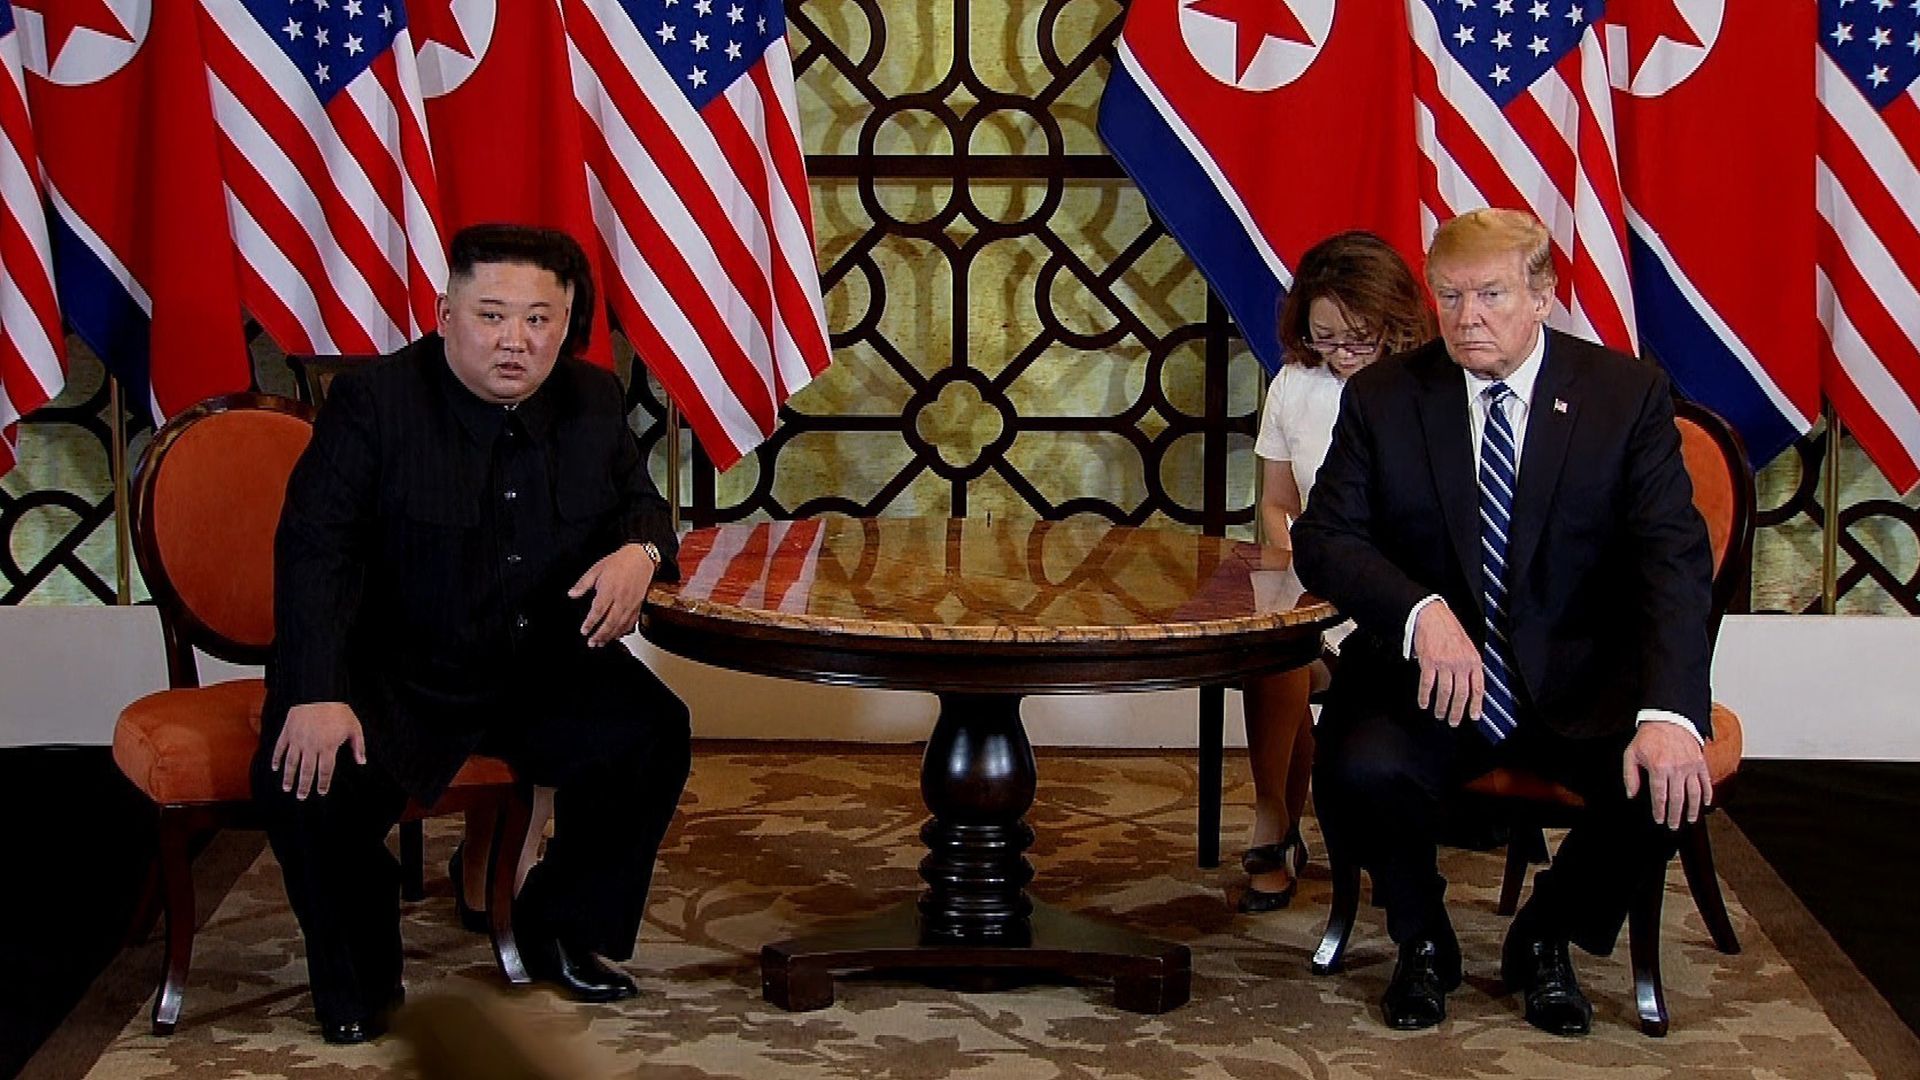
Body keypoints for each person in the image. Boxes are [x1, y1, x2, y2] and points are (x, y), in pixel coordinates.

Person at [252, 224, 692, 1044]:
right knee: (302, 781)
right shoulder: (373, 404)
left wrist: (642, 550)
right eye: (492, 316)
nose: (516, 342)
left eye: (539, 320)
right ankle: (363, 971)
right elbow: (316, 552)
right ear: (444, 313)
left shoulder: (593, 399)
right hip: (399, 671)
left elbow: (643, 506)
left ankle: (554, 926)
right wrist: (316, 691)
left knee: (653, 732)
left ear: (566, 323)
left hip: (537, 666)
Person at [1292, 208, 1714, 1036]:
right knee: (1358, 764)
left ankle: (1548, 936)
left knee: (1669, 786)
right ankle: (1422, 938)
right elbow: (1325, 537)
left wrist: (1670, 713)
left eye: (1490, 294)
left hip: (1579, 678)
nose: (1466, 317)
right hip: (1432, 679)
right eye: (1449, 296)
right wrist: (1419, 610)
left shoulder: (1623, 396)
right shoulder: (1386, 396)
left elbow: (1673, 562)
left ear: (1544, 296)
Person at [1238, 232, 1434, 912]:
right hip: (1317, 590)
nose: (1342, 354)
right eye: (1326, 338)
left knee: (1318, 659)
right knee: (1274, 653)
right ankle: (1274, 821)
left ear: (1395, 322)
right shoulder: (1296, 386)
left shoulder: (1426, 388)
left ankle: (1351, 828)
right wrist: (1296, 563)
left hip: (1401, 602)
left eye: (1360, 338)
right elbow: (1277, 502)